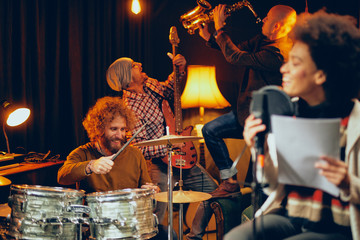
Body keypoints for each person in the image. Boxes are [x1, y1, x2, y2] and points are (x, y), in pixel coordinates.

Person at [226, 10, 360, 240]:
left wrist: (349, 182)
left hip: (338, 227)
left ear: (321, 74)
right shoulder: (288, 114)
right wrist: (261, 149)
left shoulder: (354, 121)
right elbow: (271, 185)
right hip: (290, 217)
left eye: (294, 63)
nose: (283, 69)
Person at [106, 54, 218, 239]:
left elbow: (169, 90)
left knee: (213, 192)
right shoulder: (130, 108)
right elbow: (138, 148)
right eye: (134, 65)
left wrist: (179, 70)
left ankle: (194, 236)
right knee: (155, 218)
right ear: (127, 78)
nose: (140, 64)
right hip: (158, 165)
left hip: (181, 157)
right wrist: (169, 146)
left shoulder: (149, 83)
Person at [197, 4, 297, 197]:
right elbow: (235, 49)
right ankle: (229, 180)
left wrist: (220, 28)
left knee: (257, 184)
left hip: (264, 124)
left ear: (276, 26)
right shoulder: (263, 40)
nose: (263, 20)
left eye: (267, 18)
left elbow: (236, 57)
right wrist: (211, 37)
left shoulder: (277, 53)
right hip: (246, 113)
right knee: (209, 130)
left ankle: (256, 217)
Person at [57, 96, 158, 194]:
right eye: (113, 129)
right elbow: (62, 177)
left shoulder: (135, 154)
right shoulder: (82, 153)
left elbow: (146, 186)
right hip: (95, 211)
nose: (119, 135)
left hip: (129, 211)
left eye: (122, 129)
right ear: (99, 129)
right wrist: (91, 166)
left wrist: (151, 190)